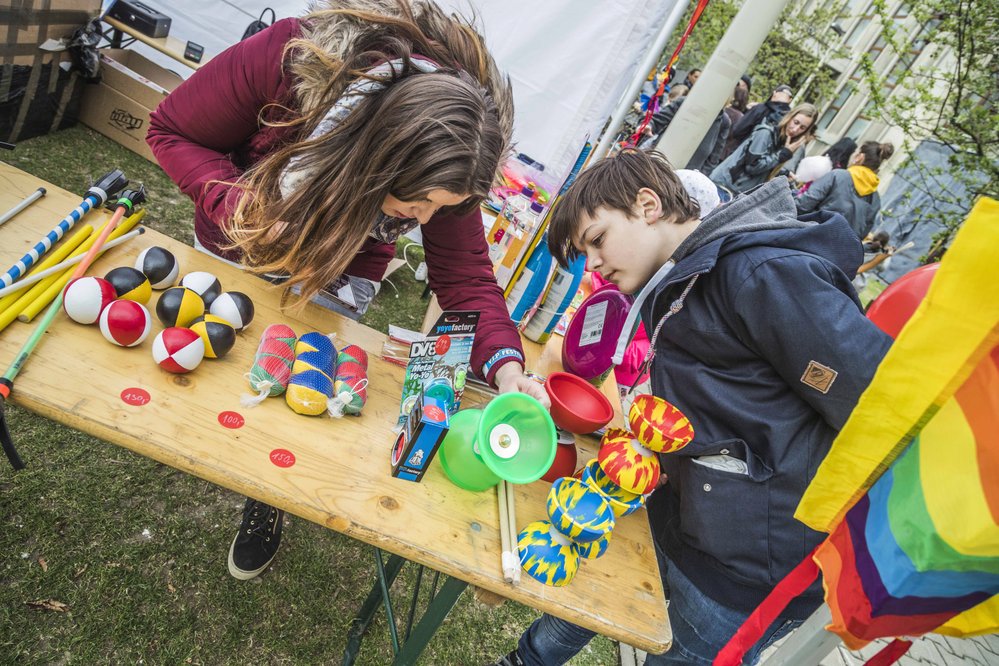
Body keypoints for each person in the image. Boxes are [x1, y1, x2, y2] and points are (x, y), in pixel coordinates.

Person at [146, 0, 550, 581]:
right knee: (207, 355)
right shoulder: (290, 60)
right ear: (376, 156)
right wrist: (247, 208)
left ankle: (266, 498)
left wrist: (509, 368)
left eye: (440, 208)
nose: (423, 218)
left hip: (333, 272)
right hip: (239, 239)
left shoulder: (456, 154)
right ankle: (179, 433)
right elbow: (173, 130)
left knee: (298, 392)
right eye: (418, 202)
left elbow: (465, 280)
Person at [494, 149, 891, 665]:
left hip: (748, 565)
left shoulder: (760, 273)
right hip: (679, 510)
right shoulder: (679, 275)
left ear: (648, 205)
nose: (592, 264)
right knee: (590, 594)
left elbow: (871, 407)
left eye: (596, 240)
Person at [710, 102, 818, 194]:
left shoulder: (782, 141)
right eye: (796, 122)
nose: (795, 129)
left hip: (734, 190)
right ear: (790, 117)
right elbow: (752, 166)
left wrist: (783, 173)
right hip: (724, 186)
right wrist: (781, 156)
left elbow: (764, 167)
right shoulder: (765, 133)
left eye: (802, 127)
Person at [796, 141, 895, 239]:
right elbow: (862, 233)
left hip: (810, 236)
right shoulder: (875, 199)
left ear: (859, 157)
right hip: (837, 250)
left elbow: (804, 204)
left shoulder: (837, 175)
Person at [643, 95, 731, 174]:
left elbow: (713, 159)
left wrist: (698, 176)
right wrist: (649, 125)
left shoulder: (724, 122)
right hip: (654, 164)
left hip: (683, 178)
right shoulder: (686, 103)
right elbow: (656, 120)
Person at [727, 83, 793, 150]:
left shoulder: (760, 108)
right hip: (764, 157)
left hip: (744, 150)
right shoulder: (789, 120)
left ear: (774, 93)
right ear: (790, 100)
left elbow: (737, 130)